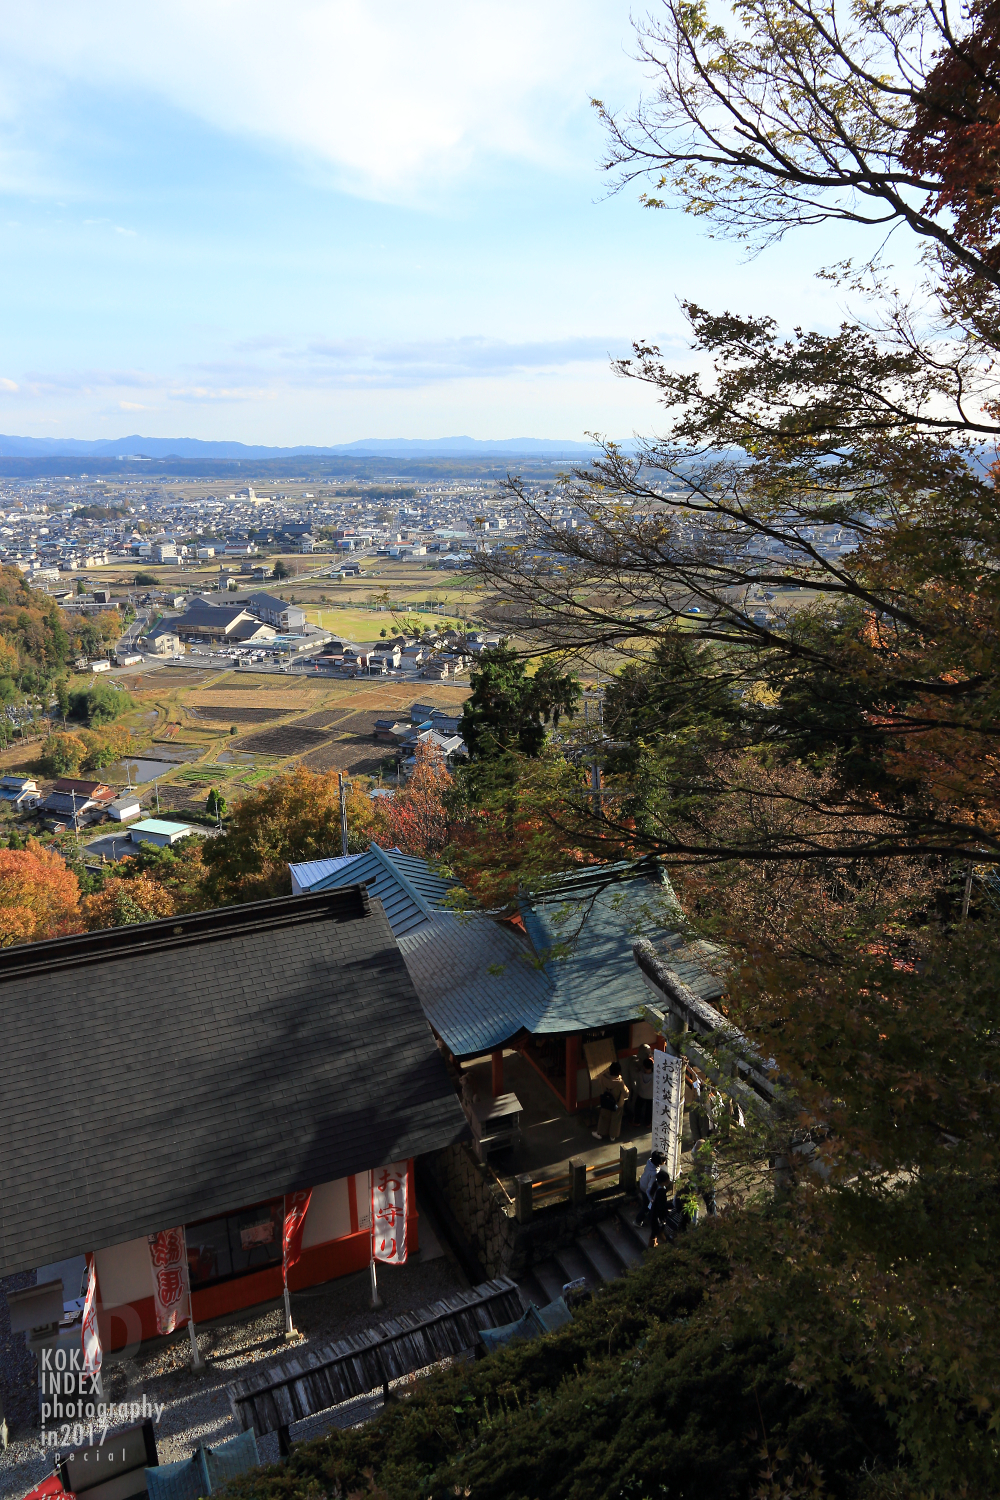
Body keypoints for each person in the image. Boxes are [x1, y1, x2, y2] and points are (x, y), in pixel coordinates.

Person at [592, 1061, 629, 1141]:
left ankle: (600, 1133)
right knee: (616, 1119)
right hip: (617, 1103)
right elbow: (626, 1093)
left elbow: (600, 1085)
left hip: (606, 1100)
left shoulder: (602, 1077)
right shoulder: (619, 1082)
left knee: (604, 1117)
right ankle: (613, 1135)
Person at [648, 1167, 675, 1247]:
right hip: (657, 1214)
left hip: (652, 1210)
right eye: (667, 1180)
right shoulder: (661, 1192)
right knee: (657, 1230)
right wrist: (672, 1205)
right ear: (663, 1182)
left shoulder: (656, 1185)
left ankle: (653, 1243)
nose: (669, 1181)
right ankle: (654, 1245)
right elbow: (662, 1205)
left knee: (655, 1230)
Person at [637, 1148, 664, 1225]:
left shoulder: (649, 1162)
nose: (664, 1162)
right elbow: (649, 1187)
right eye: (663, 1160)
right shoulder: (654, 1173)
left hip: (642, 1183)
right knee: (646, 1206)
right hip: (645, 1188)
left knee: (646, 1204)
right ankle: (638, 1221)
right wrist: (650, 1198)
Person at [635, 1053, 655, 1126]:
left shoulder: (640, 1074)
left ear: (643, 1066)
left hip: (641, 1094)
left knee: (638, 1108)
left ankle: (637, 1122)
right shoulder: (654, 1076)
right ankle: (648, 1123)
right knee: (649, 1110)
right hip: (651, 1095)